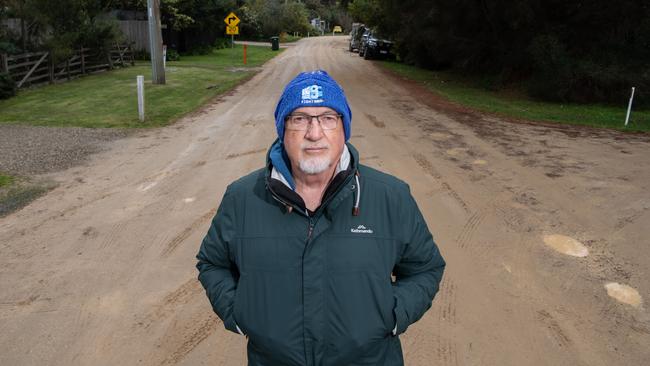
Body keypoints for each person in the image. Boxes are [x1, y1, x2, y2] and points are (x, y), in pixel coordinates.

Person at [196, 70, 445, 366]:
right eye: (299, 118)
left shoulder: (390, 196)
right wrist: (240, 312)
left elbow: (425, 268)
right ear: (283, 128)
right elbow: (213, 263)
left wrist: (391, 314)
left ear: (344, 128)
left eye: (328, 118)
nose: (314, 133)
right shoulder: (242, 198)